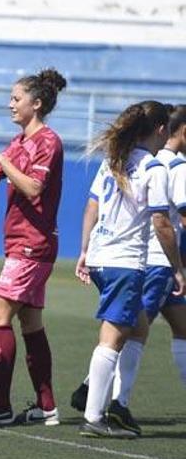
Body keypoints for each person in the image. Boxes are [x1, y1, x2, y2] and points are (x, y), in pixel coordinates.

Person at [0, 69, 67, 426]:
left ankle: (0, 405)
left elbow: (33, 188)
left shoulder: (48, 142)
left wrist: (1, 162)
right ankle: (46, 406)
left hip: (32, 246)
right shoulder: (19, 142)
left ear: (36, 103)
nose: (10, 104)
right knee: (31, 323)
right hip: (21, 243)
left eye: (15, 99)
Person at [73, 101, 186, 438]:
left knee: (138, 327)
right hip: (125, 262)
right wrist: (177, 267)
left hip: (101, 256)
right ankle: (94, 416)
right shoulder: (153, 168)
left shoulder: (113, 161)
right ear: (161, 130)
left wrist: (84, 250)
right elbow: (162, 223)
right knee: (113, 337)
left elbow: (92, 206)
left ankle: (119, 405)